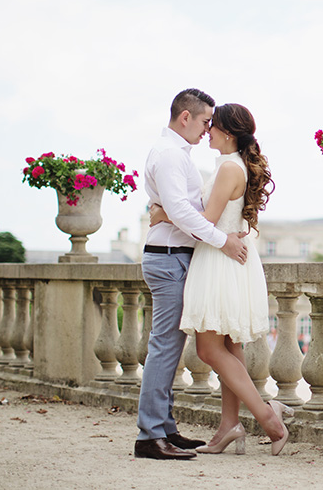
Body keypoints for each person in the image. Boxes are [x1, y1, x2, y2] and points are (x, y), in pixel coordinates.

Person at [151, 102, 291, 456]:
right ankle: (229, 426)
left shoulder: (230, 167)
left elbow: (205, 223)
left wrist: (162, 212)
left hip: (219, 260)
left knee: (209, 348)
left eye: (213, 125)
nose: (207, 130)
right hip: (231, 260)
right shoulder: (234, 165)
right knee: (230, 346)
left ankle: (268, 417)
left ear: (227, 132)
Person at [134, 89, 250, 461]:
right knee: (165, 346)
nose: (206, 130)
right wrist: (224, 242)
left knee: (170, 347)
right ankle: (150, 435)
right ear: (185, 117)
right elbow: (184, 213)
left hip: (178, 255)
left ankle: (164, 428)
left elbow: (182, 209)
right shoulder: (169, 155)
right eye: (203, 121)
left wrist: (165, 212)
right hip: (168, 257)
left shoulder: (179, 156)